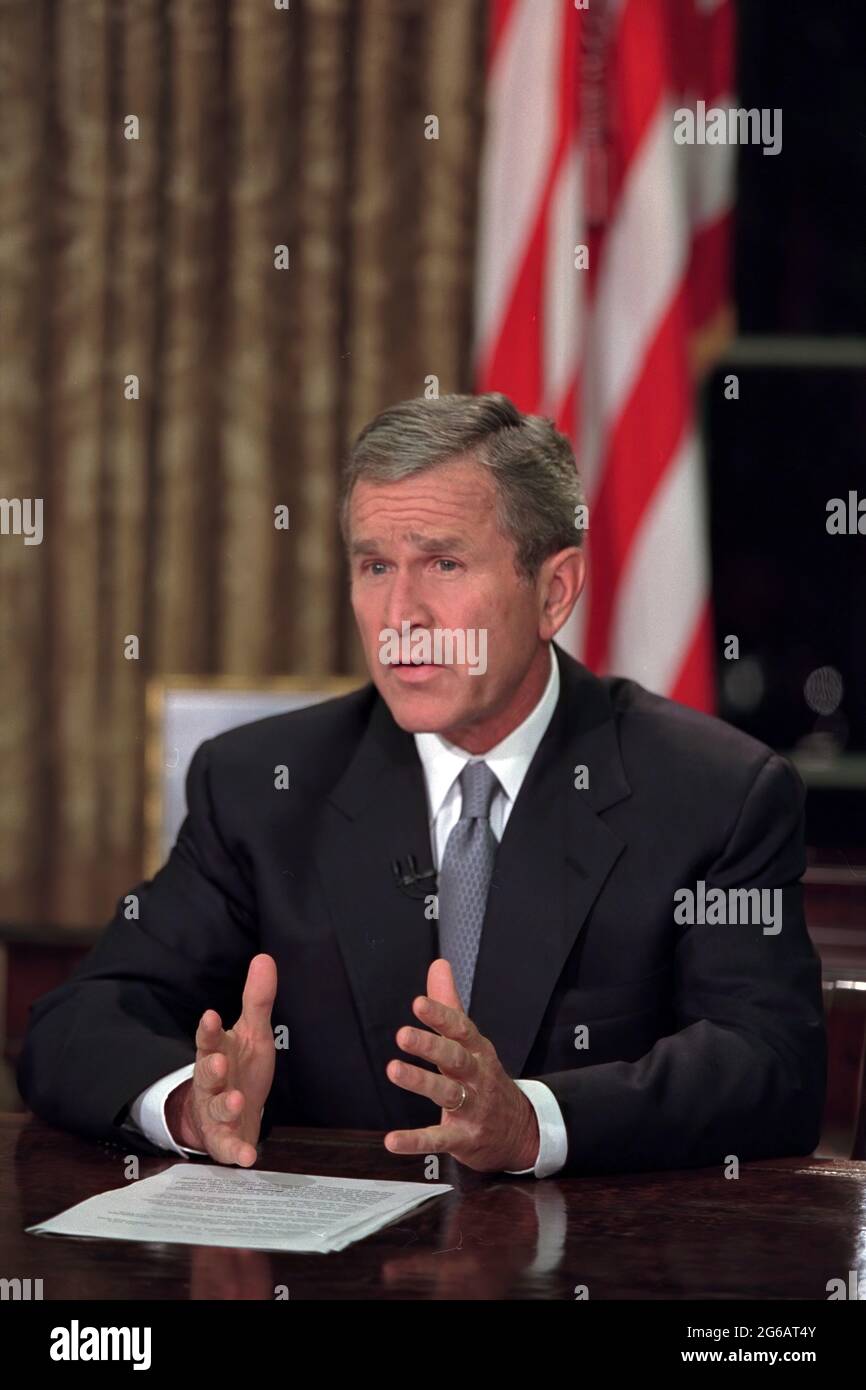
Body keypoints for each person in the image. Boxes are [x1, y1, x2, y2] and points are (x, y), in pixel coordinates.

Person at [17, 392, 826, 1178]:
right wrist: (192, 1104)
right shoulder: (260, 788)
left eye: (443, 562)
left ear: (553, 592)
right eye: (375, 566)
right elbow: (76, 1024)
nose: (401, 613)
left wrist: (533, 1123)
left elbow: (771, 1066)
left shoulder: (714, 795)